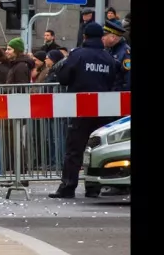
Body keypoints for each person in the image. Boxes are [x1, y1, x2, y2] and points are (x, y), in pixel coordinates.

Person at [48, 22, 118, 199]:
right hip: (104, 112)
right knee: (97, 149)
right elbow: (113, 83)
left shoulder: (78, 55)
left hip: (81, 110)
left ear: (85, 37)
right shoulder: (109, 58)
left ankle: (68, 187)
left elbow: (64, 78)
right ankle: (93, 187)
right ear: (101, 37)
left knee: (74, 150)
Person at [102, 19, 131, 91]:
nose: (102, 38)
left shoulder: (125, 53)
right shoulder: (108, 50)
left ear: (113, 37)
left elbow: (128, 80)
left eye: (105, 35)